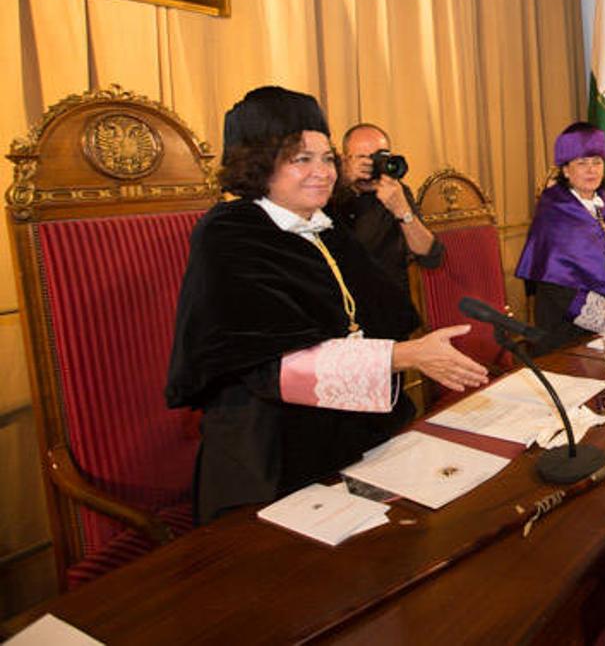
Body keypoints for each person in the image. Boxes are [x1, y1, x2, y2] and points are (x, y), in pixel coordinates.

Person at [166, 86, 488, 523]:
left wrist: (403, 352)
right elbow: (270, 365)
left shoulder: (325, 228)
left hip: (349, 429)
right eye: (302, 159)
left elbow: (378, 313)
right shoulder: (229, 234)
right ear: (258, 163)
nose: (323, 172)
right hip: (268, 453)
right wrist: (405, 356)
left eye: (326, 158)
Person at [514, 122, 605, 349]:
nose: (592, 170)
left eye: (597, 162)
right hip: (568, 330)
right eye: (582, 163)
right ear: (566, 170)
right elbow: (558, 286)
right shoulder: (553, 211)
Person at [330, 123, 444, 299]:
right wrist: (342, 183)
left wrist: (402, 210)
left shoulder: (395, 192)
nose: (373, 164)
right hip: (341, 299)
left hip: (387, 300)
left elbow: (431, 256)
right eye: (363, 158)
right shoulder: (327, 193)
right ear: (345, 160)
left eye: (379, 157)